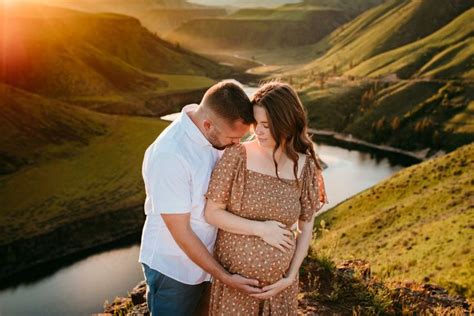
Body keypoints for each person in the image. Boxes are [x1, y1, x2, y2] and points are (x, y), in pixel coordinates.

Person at [139, 80, 292, 315]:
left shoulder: (214, 131)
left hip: (207, 266)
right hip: (175, 269)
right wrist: (226, 277)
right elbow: (181, 233)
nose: (237, 144)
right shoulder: (170, 155)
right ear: (208, 125)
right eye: (233, 139)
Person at [204, 81, 328, 315]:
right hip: (235, 289)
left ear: (287, 123)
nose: (257, 132)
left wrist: (290, 277)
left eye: (266, 125)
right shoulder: (237, 156)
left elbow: (306, 226)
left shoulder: (305, 167)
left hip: (279, 291)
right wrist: (260, 229)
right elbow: (212, 213)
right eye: (255, 123)